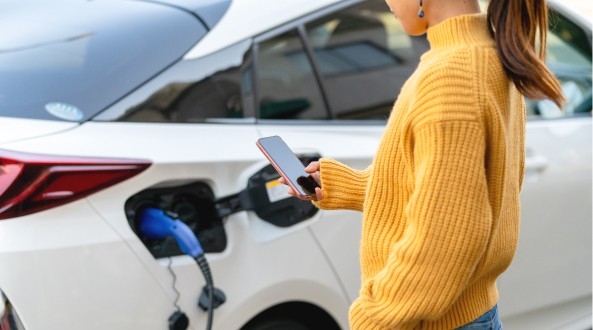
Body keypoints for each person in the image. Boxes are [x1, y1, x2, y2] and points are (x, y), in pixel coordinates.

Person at [280, 0, 565, 328]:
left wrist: (374, 318)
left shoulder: (452, 77)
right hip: (467, 312)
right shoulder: (487, 52)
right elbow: (442, 188)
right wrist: (342, 184)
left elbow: (448, 237)